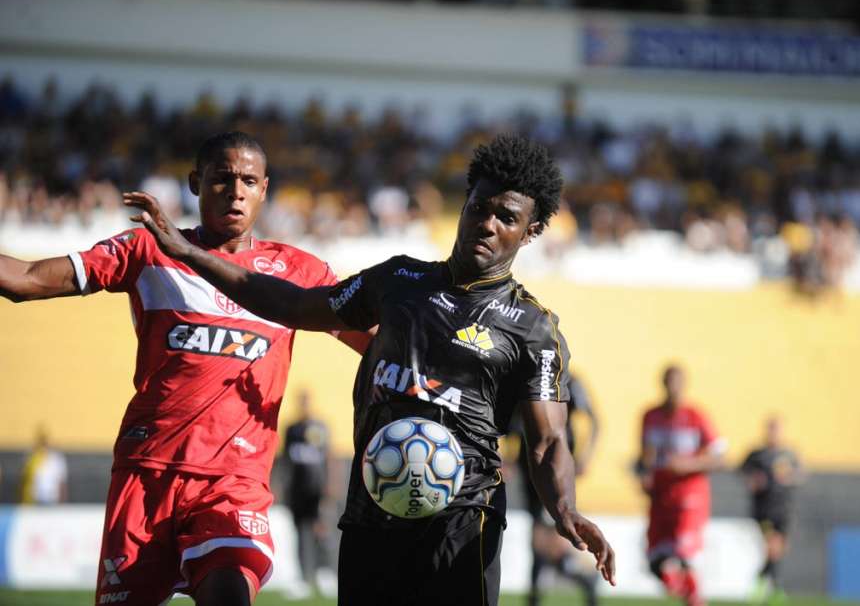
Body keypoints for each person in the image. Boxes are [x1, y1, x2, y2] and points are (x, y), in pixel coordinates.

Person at [123, 133, 616, 605]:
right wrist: (189, 254)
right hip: (371, 510)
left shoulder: (534, 329)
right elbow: (293, 305)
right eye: (479, 208)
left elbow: (549, 440)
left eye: (506, 217)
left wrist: (564, 508)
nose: (487, 224)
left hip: (463, 519)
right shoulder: (397, 281)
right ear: (464, 205)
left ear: (530, 232)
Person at [0, 131, 369, 606]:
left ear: (264, 189)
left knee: (228, 592)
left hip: (232, 484)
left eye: (249, 181)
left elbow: (375, 341)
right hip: (146, 474)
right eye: (222, 178)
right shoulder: (147, 250)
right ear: (196, 183)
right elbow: (26, 280)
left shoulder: (298, 273)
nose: (235, 190)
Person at [510, 373, 601, 606]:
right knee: (539, 531)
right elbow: (514, 425)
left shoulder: (568, 381)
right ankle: (535, 594)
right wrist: (508, 459)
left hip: (552, 464)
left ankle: (582, 578)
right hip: (528, 464)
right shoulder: (522, 378)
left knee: (547, 532)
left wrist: (584, 457)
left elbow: (593, 420)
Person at [638, 365, 725, 606]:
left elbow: (720, 457)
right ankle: (691, 597)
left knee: (684, 557)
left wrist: (687, 465)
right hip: (660, 497)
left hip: (690, 498)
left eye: (677, 382)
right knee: (656, 563)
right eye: (669, 382)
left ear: (684, 385)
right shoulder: (649, 416)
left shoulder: (696, 416)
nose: (673, 388)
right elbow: (645, 456)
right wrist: (644, 475)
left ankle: (695, 599)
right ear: (663, 384)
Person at [739, 416, 804, 600]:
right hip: (764, 511)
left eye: (777, 429)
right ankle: (770, 588)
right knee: (772, 548)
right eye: (771, 429)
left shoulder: (789, 454)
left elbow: (801, 474)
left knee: (779, 550)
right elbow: (742, 472)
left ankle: (768, 585)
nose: (774, 433)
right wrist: (752, 480)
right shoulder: (757, 455)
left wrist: (789, 477)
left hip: (784, 510)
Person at [282, 389, 332, 598]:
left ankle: (327, 574)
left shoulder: (320, 426)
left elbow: (330, 456)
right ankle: (304, 577)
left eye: (306, 401)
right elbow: (286, 460)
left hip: (318, 488)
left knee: (323, 531)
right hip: (297, 490)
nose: (303, 406)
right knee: (300, 533)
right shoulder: (292, 429)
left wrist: (330, 486)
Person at [18, 426, 68, 505]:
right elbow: (24, 479)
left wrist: (62, 502)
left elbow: (61, 482)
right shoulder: (32, 457)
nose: (43, 444)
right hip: (35, 499)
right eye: (41, 441)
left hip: (51, 499)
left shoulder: (56, 459)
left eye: (44, 441)